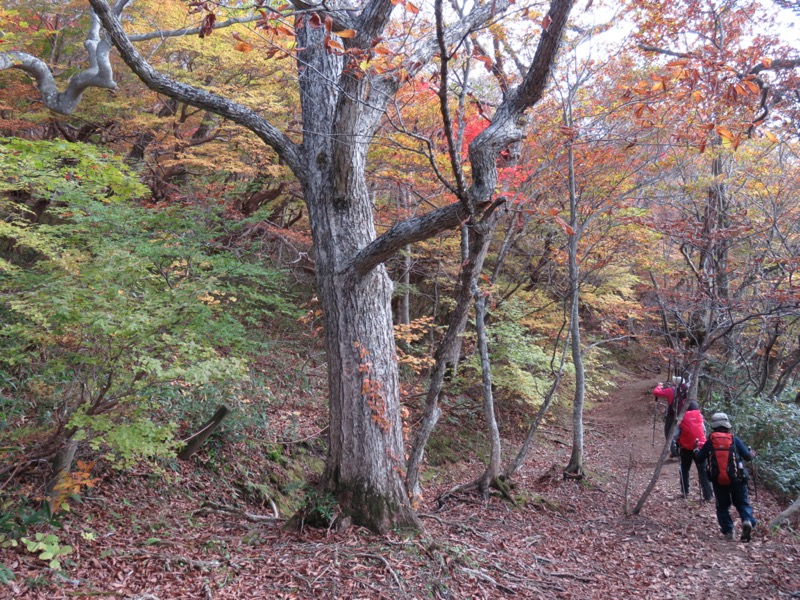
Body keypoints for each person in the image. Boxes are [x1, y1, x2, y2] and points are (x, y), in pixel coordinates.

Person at [694, 412, 757, 542]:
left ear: (714, 426)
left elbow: (700, 459)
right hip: (737, 479)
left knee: (722, 506)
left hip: (718, 481)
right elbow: (747, 456)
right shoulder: (734, 439)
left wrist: (696, 450)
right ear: (727, 425)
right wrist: (752, 453)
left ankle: (729, 531)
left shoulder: (710, 441)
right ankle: (747, 521)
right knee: (742, 503)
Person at [673, 401, 713, 501]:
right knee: (703, 470)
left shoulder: (682, 417)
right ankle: (708, 495)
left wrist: (679, 441)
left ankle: (685, 491)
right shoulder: (699, 416)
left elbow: (675, 435)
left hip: (686, 447)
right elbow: (703, 430)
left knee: (685, 468)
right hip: (700, 447)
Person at [653, 376, 689, 440]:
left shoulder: (671, 390)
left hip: (672, 413)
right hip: (684, 414)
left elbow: (656, 392)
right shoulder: (687, 390)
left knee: (668, 430)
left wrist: (659, 386)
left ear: (675, 383)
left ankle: (670, 445)